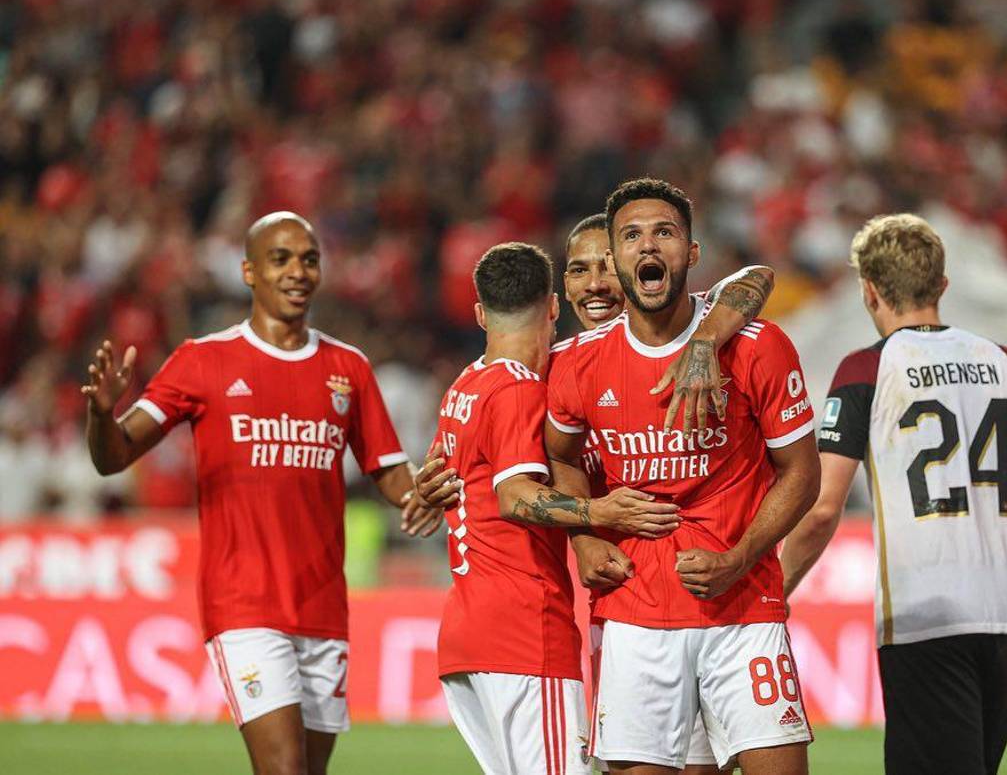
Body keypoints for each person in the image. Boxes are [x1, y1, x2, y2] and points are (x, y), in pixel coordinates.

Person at [82, 212, 431, 775]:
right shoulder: (202, 361)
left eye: (309, 259)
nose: (298, 271)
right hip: (244, 607)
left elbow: (391, 475)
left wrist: (430, 492)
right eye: (281, 258)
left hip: (323, 606)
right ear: (249, 271)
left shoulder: (350, 368)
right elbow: (113, 456)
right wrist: (102, 416)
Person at [780, 214, 1007, 775]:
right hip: (1005, 620)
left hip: (923, 617)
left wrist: (774, 589)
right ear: (942, 286)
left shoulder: (868, 369)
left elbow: (821, 508)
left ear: (868, 291)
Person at [546, 179, 821, 774]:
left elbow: (801, 473)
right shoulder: (576, 363)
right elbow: (561, 458)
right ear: (617, 261)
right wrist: (586, 535)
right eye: (633, 236)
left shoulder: (757, 346)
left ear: (691, 254)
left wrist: (743, 555)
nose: (649, 246)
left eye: (665, 232)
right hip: (634, 615)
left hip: (743, 610)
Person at [430, 241, 678, 774]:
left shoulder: (466, 383)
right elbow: (515, 496)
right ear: (551, 306)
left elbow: (438, 476)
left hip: (467, 634)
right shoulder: (519, 389)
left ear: (479, 313)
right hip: (522, 630)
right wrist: (602, 512)